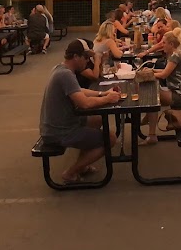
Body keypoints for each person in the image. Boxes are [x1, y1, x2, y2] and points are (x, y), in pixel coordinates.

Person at [39, 42, 120, 183]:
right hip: (59, 131)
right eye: (85, 57)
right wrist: (108, 99)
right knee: (110, 138)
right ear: (76, 57)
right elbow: (85, 103)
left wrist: (102, 93)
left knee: (97, 119)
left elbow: (78, 90)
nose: (87, 61)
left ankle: (83, 165)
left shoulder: (60, 69)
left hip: (55, 125)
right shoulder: (65, 74)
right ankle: (70, 173)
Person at [141, 34, 181, 145]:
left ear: (171, 44)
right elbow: (166, 71)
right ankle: (149, 120)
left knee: (152, 94)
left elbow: (164, 75)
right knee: (153, 96)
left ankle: (151, 132)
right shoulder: (174, 54)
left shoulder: (175, 56)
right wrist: (151, 71)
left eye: (164, 43)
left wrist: (145, 75)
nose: (162, 45)